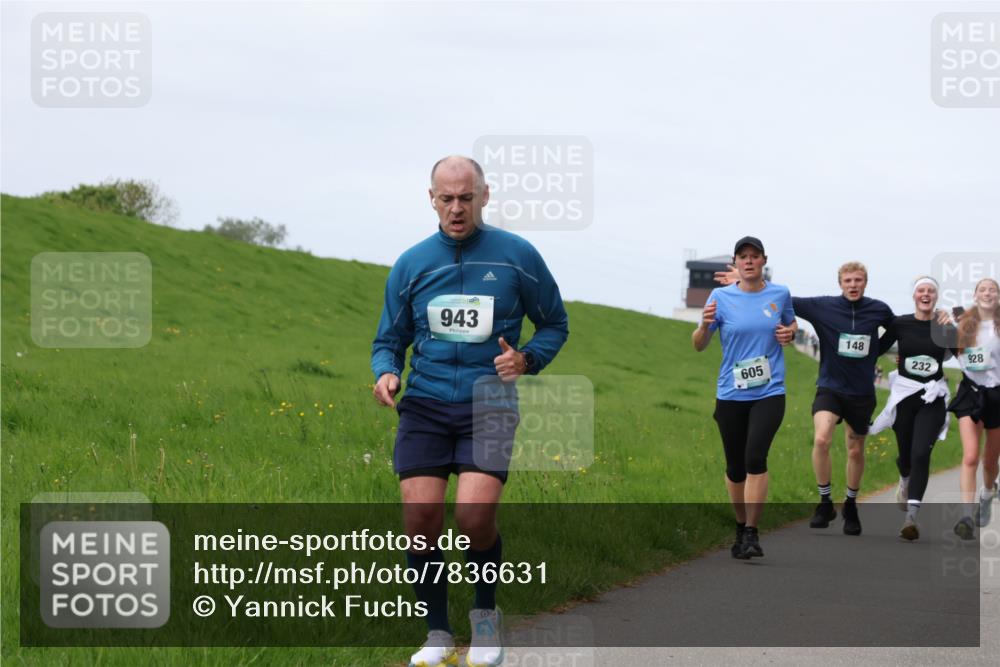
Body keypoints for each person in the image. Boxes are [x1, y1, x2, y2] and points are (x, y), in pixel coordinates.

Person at [371, 156, 569, 667]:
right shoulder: (412, 264)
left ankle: (485, 624)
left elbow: (554, 323)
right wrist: (386, 370)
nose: (456, 208)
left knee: (474, 517)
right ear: (431, 199)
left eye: (466, 197)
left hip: (490, 404)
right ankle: (437, 634)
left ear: (484, 195)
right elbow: (389, 338)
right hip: (426, 406)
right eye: (446, 198)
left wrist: (526, 359)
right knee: (421, 520)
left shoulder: (517, 255)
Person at [716, 261, 894, 535]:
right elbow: (781, 298)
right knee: (822, 437)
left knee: (855, 449)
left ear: (865, 282)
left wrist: (875, 352)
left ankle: (850, 503)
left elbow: (895, 328)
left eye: (858, 280)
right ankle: (824, 501)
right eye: (848, 281)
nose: (853, 285)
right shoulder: (823, 306)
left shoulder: (878, 309)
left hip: (861, 392)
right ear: (840, 283)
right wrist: (745, 281)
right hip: (830, 387)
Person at [694, 237, 796, 559]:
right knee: (735, 467)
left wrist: (789, 334)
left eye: (754, 256)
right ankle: (740, 526)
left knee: (755, 458)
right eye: (743, 256)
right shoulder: (720, 297)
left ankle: (752, 531)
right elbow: (699, 344)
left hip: (770, 391)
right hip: (730, 392)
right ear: (736, 263)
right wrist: (705, 324)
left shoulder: (780, 294)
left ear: (764, 260)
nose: (749, 261)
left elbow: (790, 323)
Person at [869, 277, 952, 540]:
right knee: (906, 457)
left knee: (920, 454)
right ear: (914, 295)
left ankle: (911, 518)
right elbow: (876, 349)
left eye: (930, 291)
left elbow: (966, 353)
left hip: (932, 397)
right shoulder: (900, 323)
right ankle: (904, 479)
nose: (925, 294)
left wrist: (955, 324)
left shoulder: (944, 326)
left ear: (936, 297)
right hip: (905, 396)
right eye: (921, 290)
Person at [944, 277, 1000, 540]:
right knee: (970, 457)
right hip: (971, 393)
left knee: (990, 462)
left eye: (993, 290)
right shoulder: (964, 325)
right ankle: (966, 515)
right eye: (983, 289)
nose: (988, 293)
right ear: (976, 295)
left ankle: (987, 493)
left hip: (997, 395)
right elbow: (952, 352)